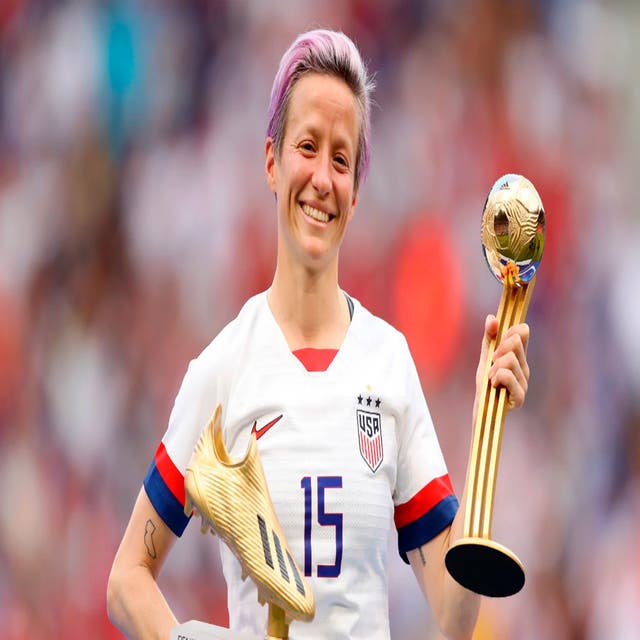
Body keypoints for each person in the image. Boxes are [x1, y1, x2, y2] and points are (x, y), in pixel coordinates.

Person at [107, 28, 531, 640]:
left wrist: (488, 419)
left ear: (355, 193)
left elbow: (454, 615)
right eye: (307, 146)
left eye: (341, 159)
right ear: (272, 161)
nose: (323, 179)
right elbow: (127, 578)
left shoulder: (388, 362)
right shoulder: (224, 369)